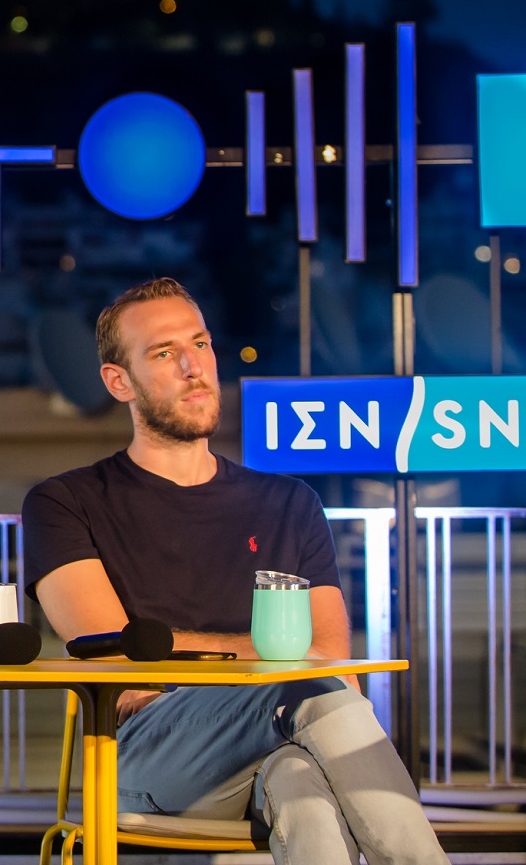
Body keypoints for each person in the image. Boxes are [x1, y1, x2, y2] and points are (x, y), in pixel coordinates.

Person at [22, 277, 444, 865]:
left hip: (275, 750)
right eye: (165, 353)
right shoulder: (66, 502)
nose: (194, 366)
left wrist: (184, 652)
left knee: (304, 791)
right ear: (119, 381)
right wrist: (271, 658)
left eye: (201, 343)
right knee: (307, 687)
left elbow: (329, 654)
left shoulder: (290, 502)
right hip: (146, 757)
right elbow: (113, 658)